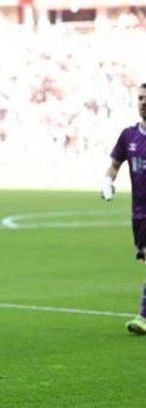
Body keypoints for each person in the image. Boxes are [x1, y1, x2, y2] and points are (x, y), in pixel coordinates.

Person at [102, 82, 146, 335]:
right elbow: (115, 164)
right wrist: (107, 182)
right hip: (140, 215)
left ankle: (143, 316)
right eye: (140, 98)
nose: (143, 102)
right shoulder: (128, 136)